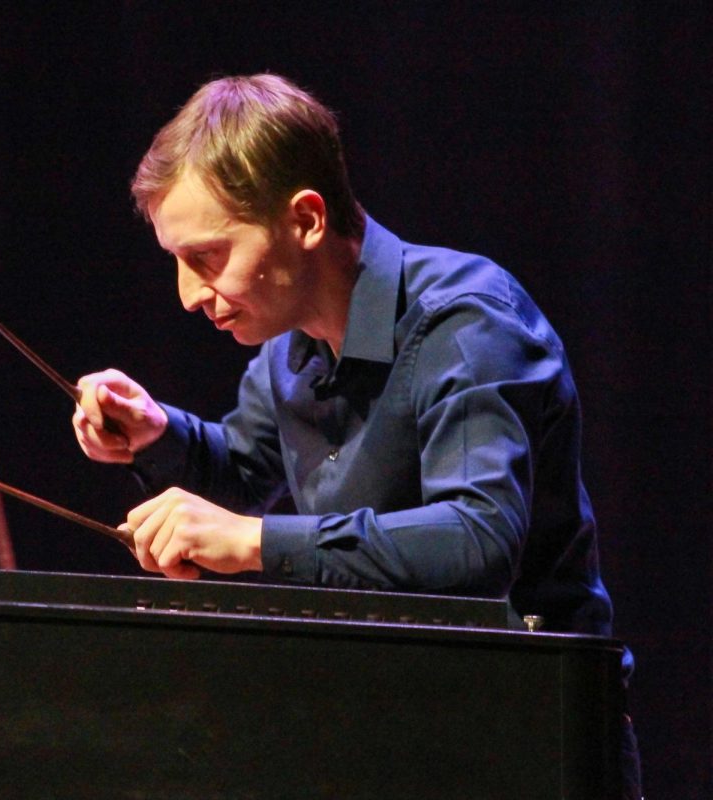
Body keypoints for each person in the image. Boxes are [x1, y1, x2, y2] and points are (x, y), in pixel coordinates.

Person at [71, 73, 640, 797]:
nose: (188, 295)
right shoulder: (289, 351)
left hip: (523, 734)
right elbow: (243, 468)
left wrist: (252, 543)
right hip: (379, 725)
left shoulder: (467, 320)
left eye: (207, 258)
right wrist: (156, 435)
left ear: (305, 219)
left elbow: (478, 540)